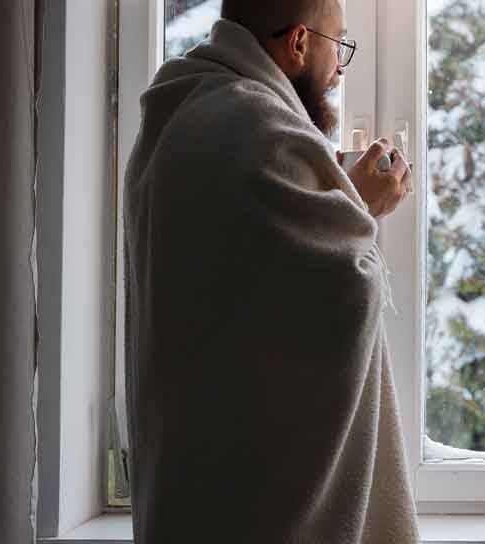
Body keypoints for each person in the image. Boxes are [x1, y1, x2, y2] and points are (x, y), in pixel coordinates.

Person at [122, 0, 418, 542]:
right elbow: (341, 296)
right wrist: (359, 203)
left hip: (188, 483)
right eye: (340, 46)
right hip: (252, 511)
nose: (342, 69)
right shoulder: (262, 132)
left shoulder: (182, 110)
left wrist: (328, 191)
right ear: (300, 43)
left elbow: (244, 288)